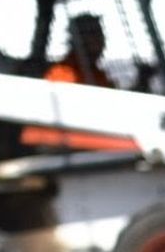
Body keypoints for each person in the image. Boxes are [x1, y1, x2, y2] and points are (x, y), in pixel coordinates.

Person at [22, 14, 137, 151]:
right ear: (79, 39)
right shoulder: (63, 74)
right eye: (95, 35)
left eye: (101, 35)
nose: (102, 41)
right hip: (65, 147)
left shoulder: (95, 73)